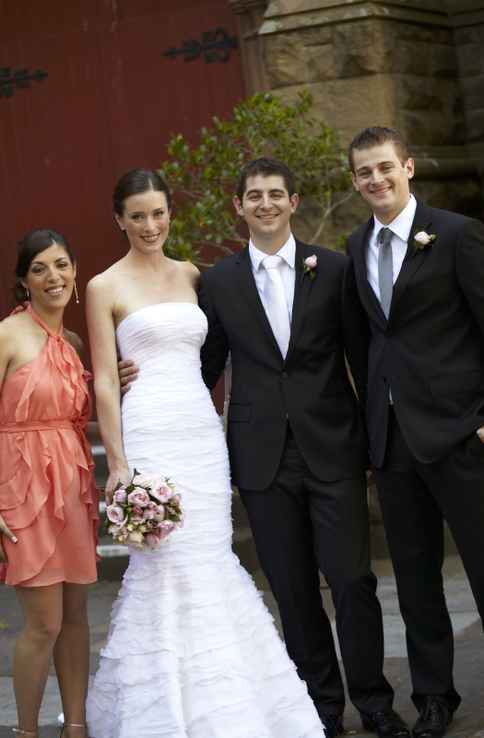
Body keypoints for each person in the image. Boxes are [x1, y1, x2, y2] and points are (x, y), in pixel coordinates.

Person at [119, 159, 408, 738]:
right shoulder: (217, 281)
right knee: (292, 588)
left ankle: (373, 701)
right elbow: (201, 362)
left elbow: (361, 359)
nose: (266, 204)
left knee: (352, 581)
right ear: (239, 206)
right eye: (254, 196)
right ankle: (320, 706)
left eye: (276, 194)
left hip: (332, 449)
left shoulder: (333, 269)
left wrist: (374, 444)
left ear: (294, 202)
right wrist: (143, 375)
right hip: (260, 456)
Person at [85, 168, 325, 738]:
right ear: (119, 219)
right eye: (137, 215)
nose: (150, 225)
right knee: (165, 565)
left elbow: (223, 350)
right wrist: (118, 464)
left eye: (158, 213)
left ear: (172, 214)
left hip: (199, 435)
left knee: (211, 559)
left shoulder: (195, 276)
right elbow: (102, 380)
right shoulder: (104, 286)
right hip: (149, 434)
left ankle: (241, 704)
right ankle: (167, 709)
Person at [345, 126, 484, 738]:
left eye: (384, 167)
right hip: (393, 440)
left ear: (407, 166)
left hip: (459, 432)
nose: (376, 180)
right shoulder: (353, 247)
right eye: (363, 173)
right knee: (416, 578)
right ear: (355, 182)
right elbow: (365, 343)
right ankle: (434, 696)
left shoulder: (455, 234)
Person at [0, 229, 99, 738]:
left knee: (77, 617)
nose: (52, 276)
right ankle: (27, 731)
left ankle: (76, 726)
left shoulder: (76, 343)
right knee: (43, 623)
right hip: (21, 490)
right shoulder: (7, 335)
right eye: (39, 268)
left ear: (75, 272)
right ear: (24, 280)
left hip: (72, 487)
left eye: (61, 264)